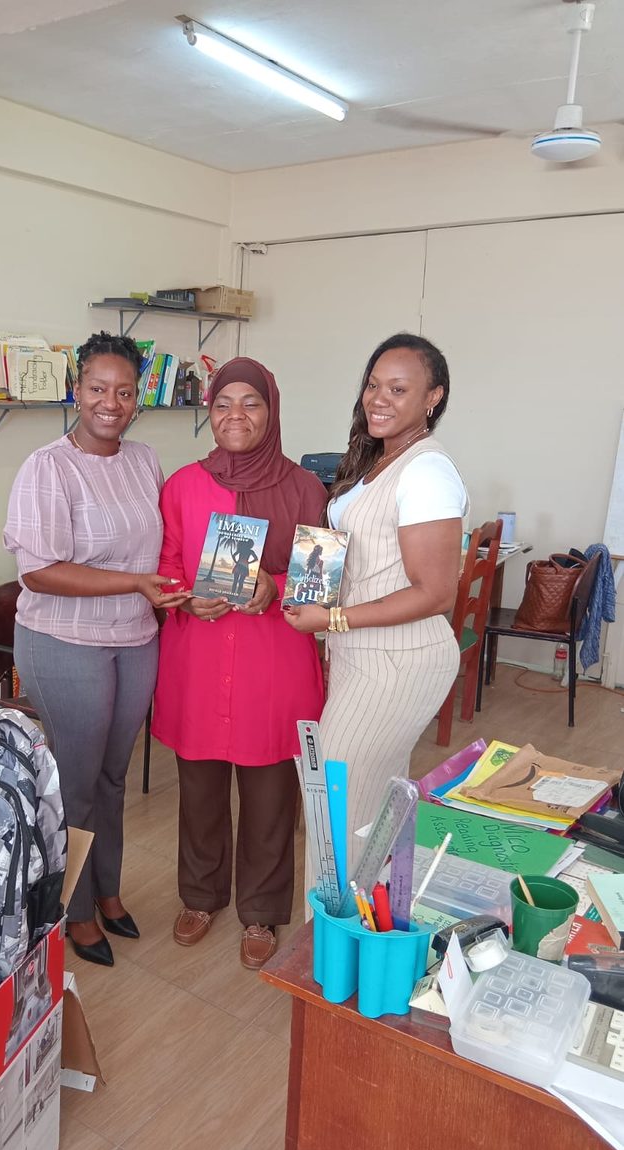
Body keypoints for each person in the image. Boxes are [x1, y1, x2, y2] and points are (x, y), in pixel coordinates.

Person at [3, 332, 188, 968]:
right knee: (76, 784)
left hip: (134, 638)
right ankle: (72, 911)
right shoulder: (47, 467)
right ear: (75, 391)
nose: (111, 402)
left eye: (125, 391)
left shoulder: (143, 460)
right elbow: (39, 571)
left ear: (139, 399)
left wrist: (180, 585)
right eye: (97, 389)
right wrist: (135, 582)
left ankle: (107, 890)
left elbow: (157, 547)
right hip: (64, 641)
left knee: (113, 778)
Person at [152, 357, 326, 970]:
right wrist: (182, 591)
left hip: (273, 663)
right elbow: (168, 562)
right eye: (223, 402)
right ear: (209, 411)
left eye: (250, 402)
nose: (236, 415)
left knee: (269, 795)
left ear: (271, 410)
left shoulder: (306, 488)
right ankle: (200, 897)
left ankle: (261, 911)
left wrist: (275, 588)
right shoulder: (182, 485)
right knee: (198, 790)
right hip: (199, 659)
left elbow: (319, 582)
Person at [284, 332, 468, 872]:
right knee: (368, 813)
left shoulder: (427, 471)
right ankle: (370, 940)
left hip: (397, 660)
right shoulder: (383, 459)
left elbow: (435, 594)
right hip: (365, 654)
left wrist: (332, 617)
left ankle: (328, 946)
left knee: (334, 815)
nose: (378, 398)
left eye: (397, 388)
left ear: (432, 398)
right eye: (372, 384)